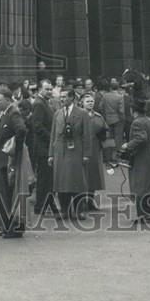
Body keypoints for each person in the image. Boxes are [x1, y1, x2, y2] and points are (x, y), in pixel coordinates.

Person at [0, 85, 28, 238]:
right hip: (0, 160)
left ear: (7, 100)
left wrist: (14, 152)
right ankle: (6, 225)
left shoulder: (13, 113)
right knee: (3, 194)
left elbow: (22, 130)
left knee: (7, 195)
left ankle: (12, 228)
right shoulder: (4, 112)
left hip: (6, 161)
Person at [121, 99, 150, 225]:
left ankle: (143, 215)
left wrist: (127, 145)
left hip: (142, 157)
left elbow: (141, 137)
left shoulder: (137, 122)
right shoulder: (149, 120)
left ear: (133, 111)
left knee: (139, 186)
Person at [48, 86, 91, 218]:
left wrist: (86, 154)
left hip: (76, 151)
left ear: (72, 97)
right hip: (60, 152)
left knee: (77, 181)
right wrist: (51, 154)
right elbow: (53, 135)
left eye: (65, 97)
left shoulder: (82, 113)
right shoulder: (58, 113)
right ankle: (65, 209)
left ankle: (79, 210)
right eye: (60, 97)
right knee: (61, 182)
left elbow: (87, 135)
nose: (62, 99)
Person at [31, 78, 57, 214]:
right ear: (40, 89)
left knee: (48, 179)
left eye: (50, 89)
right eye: (46, 89)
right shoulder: (39, 104)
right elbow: (37, 126)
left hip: (46, 147)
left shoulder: (45, 103)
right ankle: (40, 206)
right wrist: (52, 139)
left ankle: (48, 204)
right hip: (43, 148)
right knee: (44, 178)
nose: (49, 91)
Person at [81, 92, 108, 210]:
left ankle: (90, 201)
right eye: (87, 101)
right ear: (82, 103)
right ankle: (81, 202)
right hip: (82, 149)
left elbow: (106, 129)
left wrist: (103, 134)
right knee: (82, 176)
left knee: (94, 176)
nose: (90, 103)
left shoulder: (98, 116)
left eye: (92, 101)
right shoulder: (78, 115)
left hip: (96, 149)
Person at [100, 78, 125, 163]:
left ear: (110, 88)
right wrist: (122, 119)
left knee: (109, 138)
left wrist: (105, 115)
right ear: (117, 88)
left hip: (107, 119)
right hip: (117, 120)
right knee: (118, 138)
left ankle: (108, 157)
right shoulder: (120, 97)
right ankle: (116, 156)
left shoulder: (105, 96)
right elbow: (121, 111)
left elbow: (100, 107)